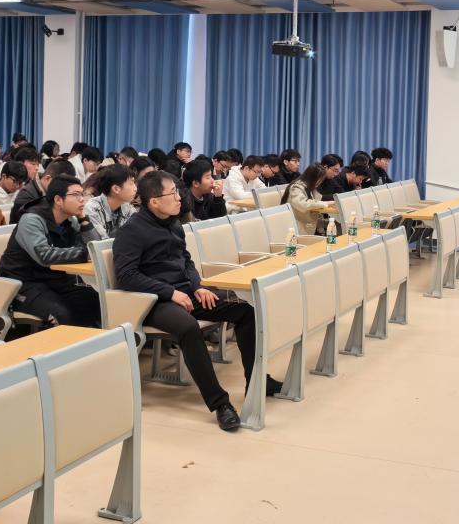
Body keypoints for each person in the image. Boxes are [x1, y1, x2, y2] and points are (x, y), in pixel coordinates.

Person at [113, 171, 280, 431]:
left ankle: (257, 382)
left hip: (185, 293)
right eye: (173, 193)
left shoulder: (173, 223)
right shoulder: (131, 232)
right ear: (154, 201)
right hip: (153, 302)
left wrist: (197, 286)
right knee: (189, 327)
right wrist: (169, 293)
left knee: (246, 310)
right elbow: (127, 276)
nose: (179, 198)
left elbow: (186, 261)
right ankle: (219, 403)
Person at [0, 175, 102, 327]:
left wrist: (83, 219)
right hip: (23, 284)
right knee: (63, 314)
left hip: (54, 279)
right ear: (58, 200)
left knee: (97, 302)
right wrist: (83, 254)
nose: (82, 200)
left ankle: (94, 341)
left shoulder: (70, 220)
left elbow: (94, 247)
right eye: (76, 195)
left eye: (82, 194)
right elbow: (44, 256)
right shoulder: (32, 220)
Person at [11, 158, 76, 225]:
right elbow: (31, 225)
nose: (63, 189)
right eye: (61, 185)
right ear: (47, 179)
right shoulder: (26, 196)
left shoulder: (54, 195)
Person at [84, 165, 137, 239]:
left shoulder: (129, 209)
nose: (135, 188)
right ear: (116, 189)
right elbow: (100, 242)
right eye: (131, 183)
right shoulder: (92, 208)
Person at [283, 163, 328, 236]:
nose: (320, 183)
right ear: (312, 178)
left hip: (307, 224)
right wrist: (325, 203)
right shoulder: (296, 187)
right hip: (296, 228)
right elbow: (303, 204)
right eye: (319, 180)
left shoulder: (310, 188)